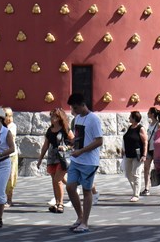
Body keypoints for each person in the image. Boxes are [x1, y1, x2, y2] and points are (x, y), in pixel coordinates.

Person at [66, 92, 103, 234]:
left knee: (87, 191)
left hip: (88, 162)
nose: (73, 111)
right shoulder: (77, 119)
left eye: (75, 108)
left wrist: (81, 151)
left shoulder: (94, 119)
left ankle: (85, 223)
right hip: (76, 159)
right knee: (70, 187)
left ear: (83, 105)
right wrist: (73, 142)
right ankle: (80, 217)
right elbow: (79, 136)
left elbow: (99, 141)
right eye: (72, 108)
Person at [36, 108, 71, 213]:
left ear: (59, 118)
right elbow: (45, 145)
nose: (52, 118)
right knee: (54, 181)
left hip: (62, 157)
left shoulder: (65, 129)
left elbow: (73, 141)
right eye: (51, 116)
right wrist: (40, 159)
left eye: (54, 116)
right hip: (52, 157)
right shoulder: (50, 130)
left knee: (58, 180)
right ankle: (57, 202)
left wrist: (66, 147)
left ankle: (61, 204)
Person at [122, 110, 147, 202]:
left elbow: (145, 142)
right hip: (128, 154)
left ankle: (136, 194)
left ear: (134, 118)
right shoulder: (130, 127)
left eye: (130, 116)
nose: (129, 118)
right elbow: (126, 139)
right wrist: (123, 150)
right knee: (128, 174)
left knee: (136, 174)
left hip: (138, 155)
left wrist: (144, 154)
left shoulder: (140, 128)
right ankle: (136, 190)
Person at [140, 107, 160, 196]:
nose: (147, 114)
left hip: (155, 149)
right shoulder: (150, 124)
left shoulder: (158, 124)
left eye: (149, 112)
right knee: (146, 168)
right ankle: (146, 188)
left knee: (159, 168)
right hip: (149, 148)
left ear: (152, 114)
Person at [2, 107, 19, 207]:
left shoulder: (12, 126)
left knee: (10, 178)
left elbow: (9, 137)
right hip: (1, 155)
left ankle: (9, 200)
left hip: (11, 155)